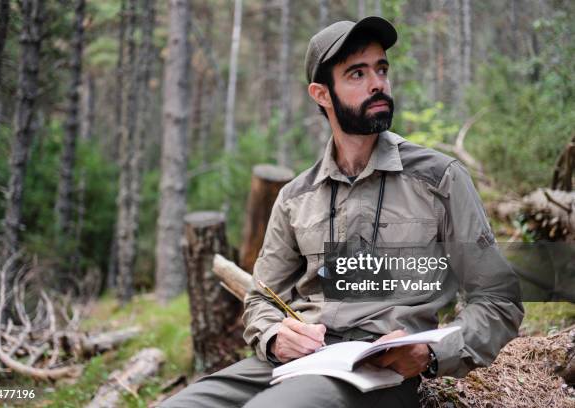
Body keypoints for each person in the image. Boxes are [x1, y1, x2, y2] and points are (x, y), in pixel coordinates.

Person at [160, 16, 523, 408]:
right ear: (321, 94)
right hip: (301, 363)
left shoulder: (439, 179)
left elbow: (498, 299)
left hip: (383, 372)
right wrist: (274, 336)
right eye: (356, 74)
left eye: (381, 69)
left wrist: (433, 353)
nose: (377, 84)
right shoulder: (296, 197)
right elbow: (261, 299)